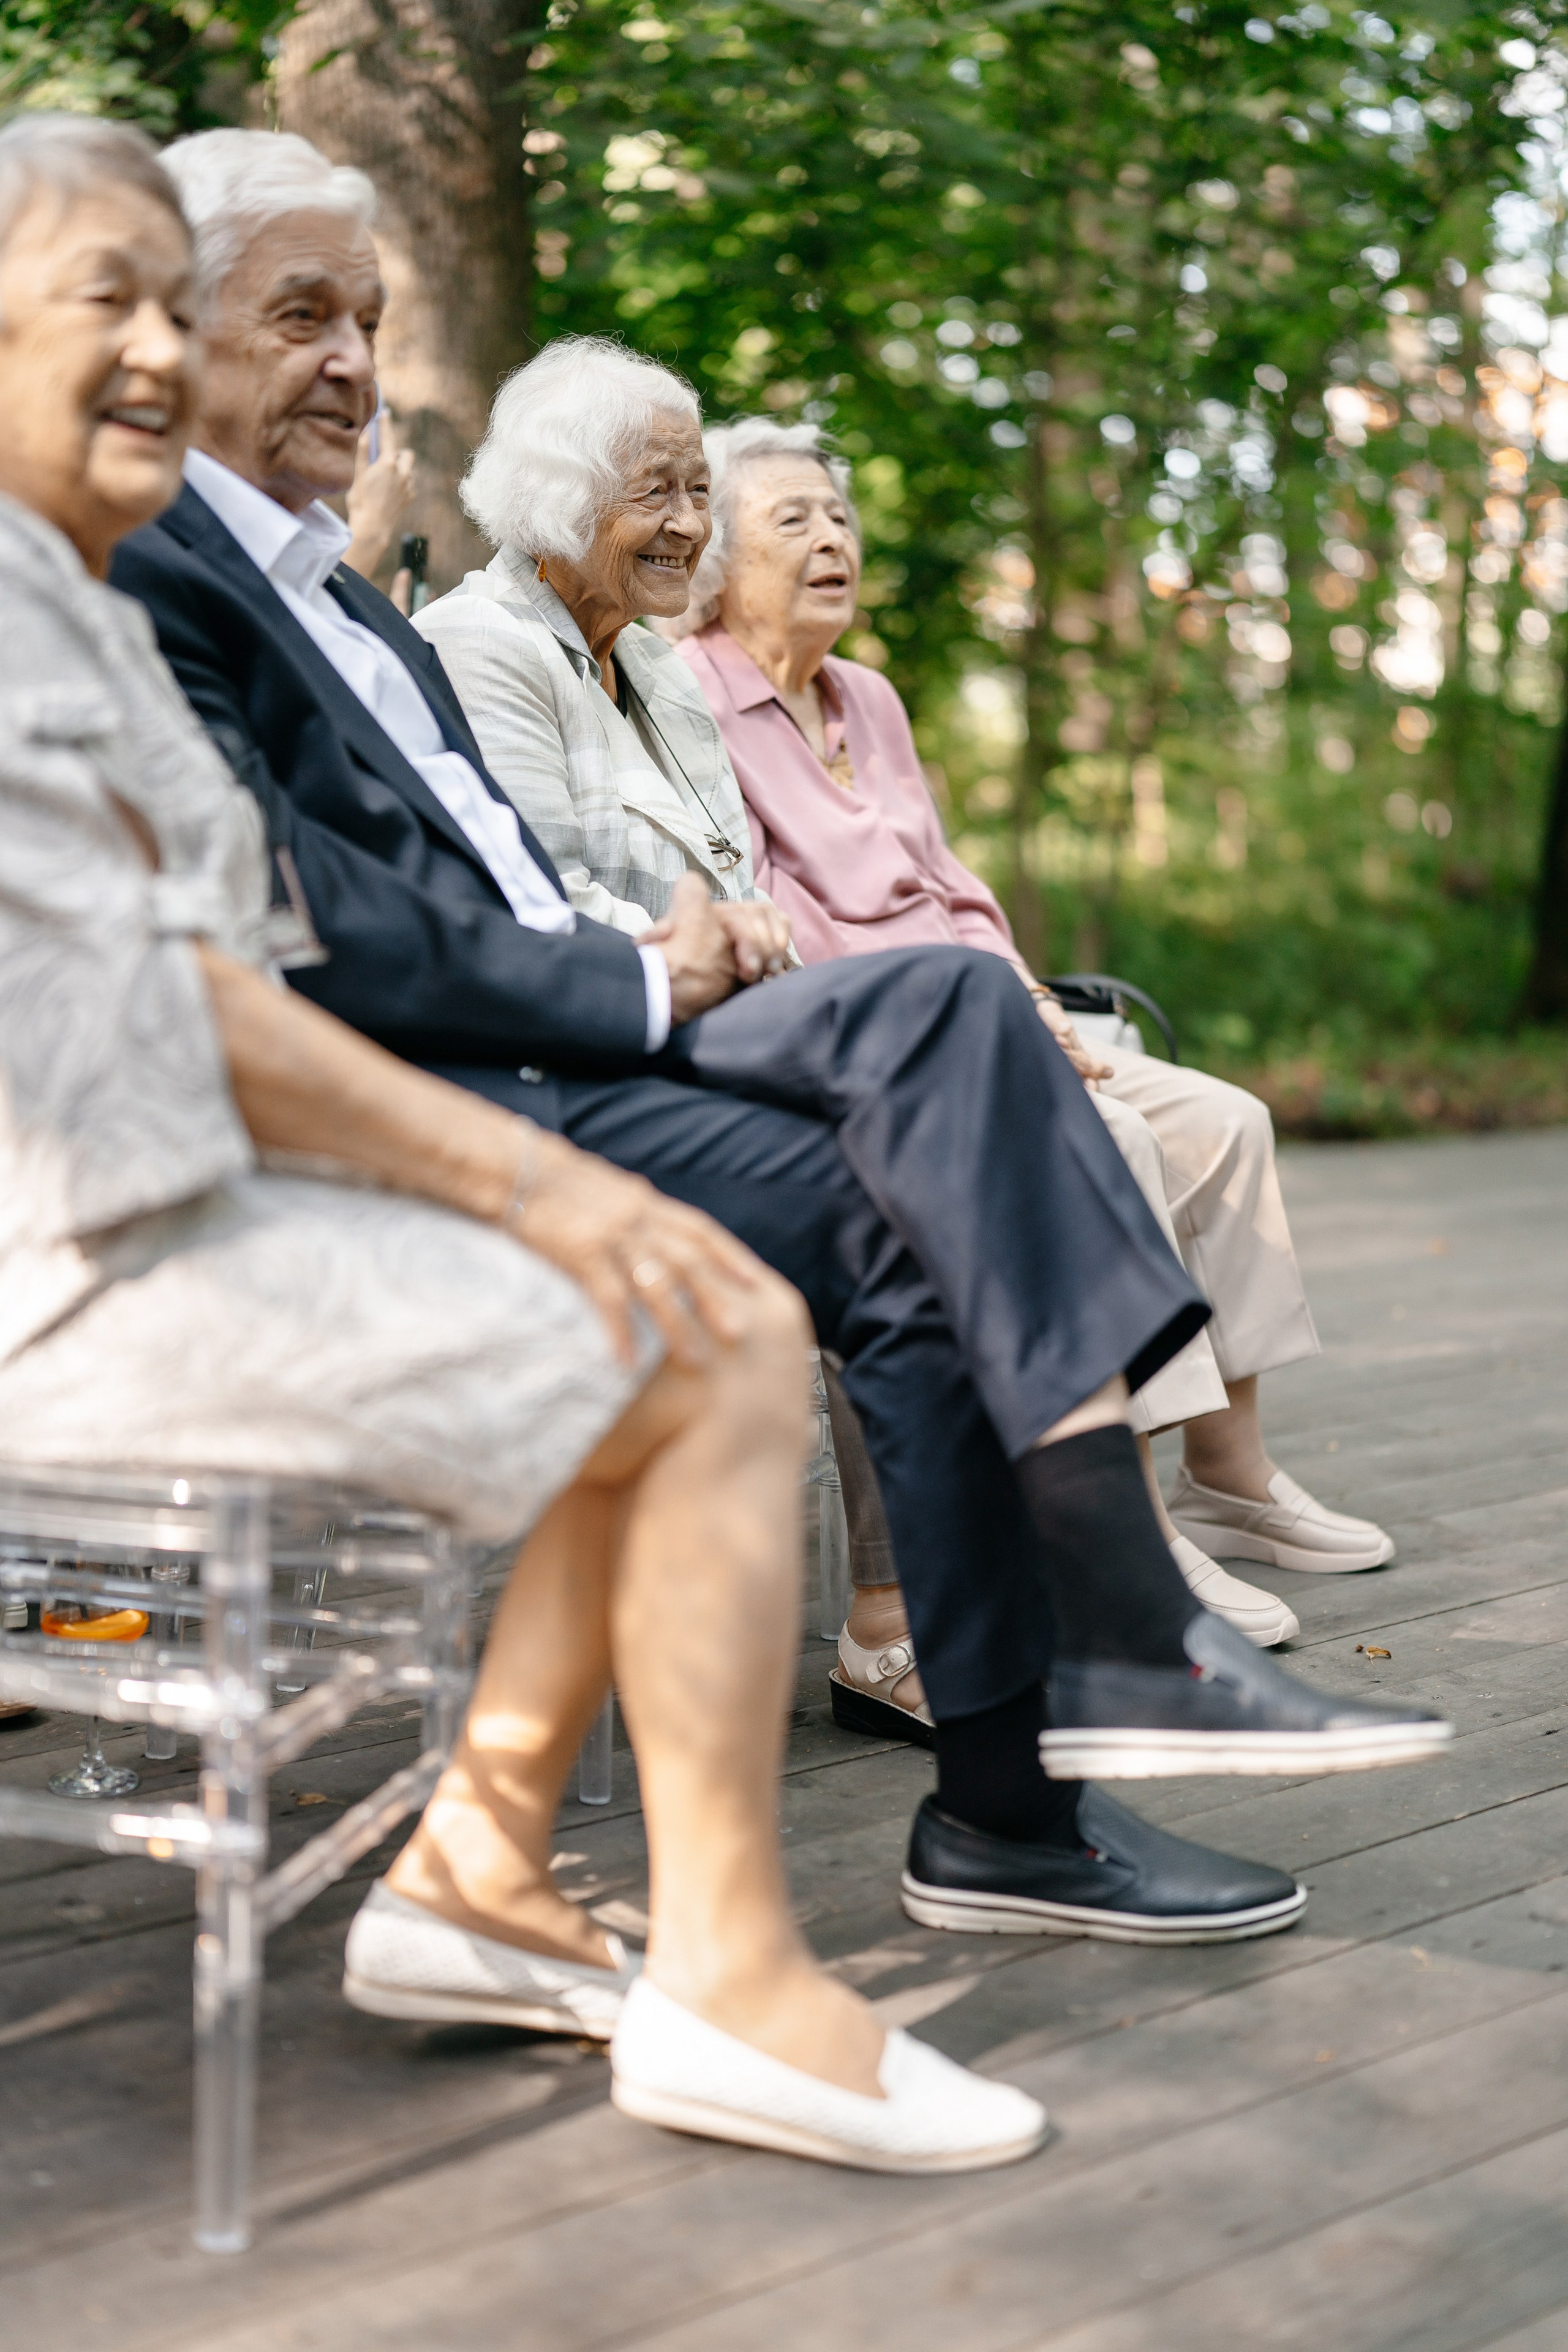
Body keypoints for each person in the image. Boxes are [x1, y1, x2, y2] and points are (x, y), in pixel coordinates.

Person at [113, 129, 1447, 1973]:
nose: (352, 360)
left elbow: (489, 879)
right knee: (937, 1097)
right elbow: (304, 931)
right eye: (301, 316)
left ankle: (1040, 1754)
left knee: (958, 1039)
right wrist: (641, 981)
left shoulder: (347, 604)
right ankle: (1054, 1734)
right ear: (167, 331)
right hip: (458, 1101)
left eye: (370, 317)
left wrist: (643, 959)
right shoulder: (159, 577)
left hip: (576, 1027)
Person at [0, 111, 1052, 2176]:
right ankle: (727, 1978)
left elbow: (233, 969)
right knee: (718, 1327)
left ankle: (484, 1865)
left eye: (160, 301)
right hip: (76, 1263)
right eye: (97, 300)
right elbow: (201, 1008)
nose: (146, 351)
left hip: (176, 1193)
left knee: (688, 1295)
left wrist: (544, 1180)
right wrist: (537, 1176)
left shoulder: (92, 611)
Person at [666, 415, 1400, 1729]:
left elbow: (955, 892)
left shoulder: (869, 697)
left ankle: (1227, 1477)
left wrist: (1029, 1001)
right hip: (888, 1046)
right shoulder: (694, 697)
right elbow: (767, 916)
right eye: (794, 521)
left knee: (1220, 1121)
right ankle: (1116, 1526)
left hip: (992, 1015)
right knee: (1106, 1146)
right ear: (716, 560)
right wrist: (994, 1029)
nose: (832, 538)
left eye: (839, 516)